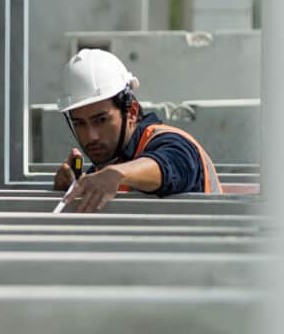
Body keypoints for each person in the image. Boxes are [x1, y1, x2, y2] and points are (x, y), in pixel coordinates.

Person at [54, 48, 222, 212]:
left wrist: (117, 174)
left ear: (132, 111)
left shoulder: (171, 142)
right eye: (79, 123)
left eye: (101, 120)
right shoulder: (108, 165)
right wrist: (72, 189)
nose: (91, 137)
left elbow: (173, 163)